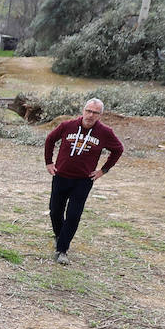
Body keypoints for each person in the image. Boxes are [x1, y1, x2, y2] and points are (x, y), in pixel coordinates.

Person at [43, 97, 123, 265]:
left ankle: (62, 250)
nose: (91, 115)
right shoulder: (67, 126)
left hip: (83, 180)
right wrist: (49, 162)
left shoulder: (105, 132)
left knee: (73, 215)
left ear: (100, 115)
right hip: (61, 175)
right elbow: (50, 140)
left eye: (95, 112)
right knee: (55, 211)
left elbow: (118, 150)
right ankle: (60, 237)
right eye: (88, 111)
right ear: (83, 110)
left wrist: (104, 170)